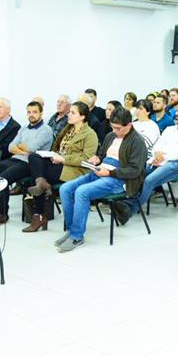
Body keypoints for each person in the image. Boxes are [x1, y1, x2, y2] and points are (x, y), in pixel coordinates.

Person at [56, 107, 147, 252]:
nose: (115, 131)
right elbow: (102, 155)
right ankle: (71, 230)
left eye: (118, 128)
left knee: (82, 192)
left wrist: (110, 173)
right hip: (100, 171)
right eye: (113, 127)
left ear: (129, 125)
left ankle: (77, 237)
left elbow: (135, 171)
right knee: (65, 189)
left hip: (119, 178)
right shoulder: (110, 136)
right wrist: (97, 158)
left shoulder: (137, 142)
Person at [24, 101, 98, 232]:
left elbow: (86, 159)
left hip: (74, 169)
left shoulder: (90, 134)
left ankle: (39, 216)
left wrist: (63, 159)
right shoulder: (68, 129)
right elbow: (57, 148)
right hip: (58, 163)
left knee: (34, 178)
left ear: (82, 117)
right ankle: (41, 184)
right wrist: (53, 156)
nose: (69, 115)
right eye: (69, 112)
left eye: (73, 113)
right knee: (33, 157)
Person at [126, 102, 178, 215]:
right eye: (177, 111)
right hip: (159, 161)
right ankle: (124, 202)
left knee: (149, 180)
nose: (177, 113)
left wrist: (163, 157)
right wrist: (156, 154)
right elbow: (157, 145)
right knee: (135, 172)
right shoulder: (169, 129)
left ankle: (131, 209)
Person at [0, 101, 54, 224]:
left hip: (31, 163)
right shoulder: (24, 128)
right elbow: (10, 147)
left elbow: (32, 148)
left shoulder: (46, 130)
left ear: (41, 113)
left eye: (35, 112)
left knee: (3, 179)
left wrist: (22, 149)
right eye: (29, 112)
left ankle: (3, 213)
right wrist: (23, 150)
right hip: (17, 158)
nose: (31, 115)